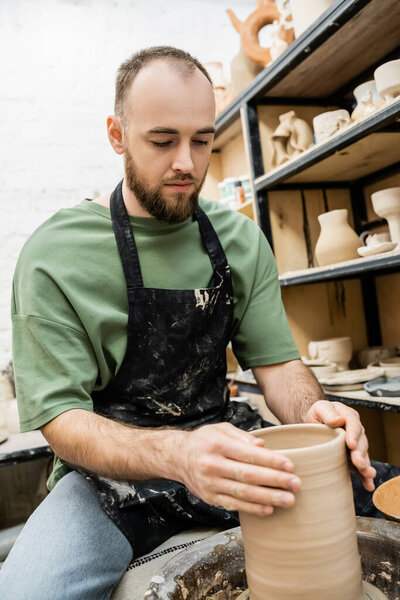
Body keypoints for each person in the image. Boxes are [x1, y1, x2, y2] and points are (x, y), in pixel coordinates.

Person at [0, 46, 387, 599]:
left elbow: (278, 366)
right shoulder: (56, 254)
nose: (186, 162)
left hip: (228, 444)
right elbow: (61, 419)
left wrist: (313, 411)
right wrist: (177, 453)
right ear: (117, 134)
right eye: (162, 141)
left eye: (202, 139)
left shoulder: (239, 240)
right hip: (107, 478)